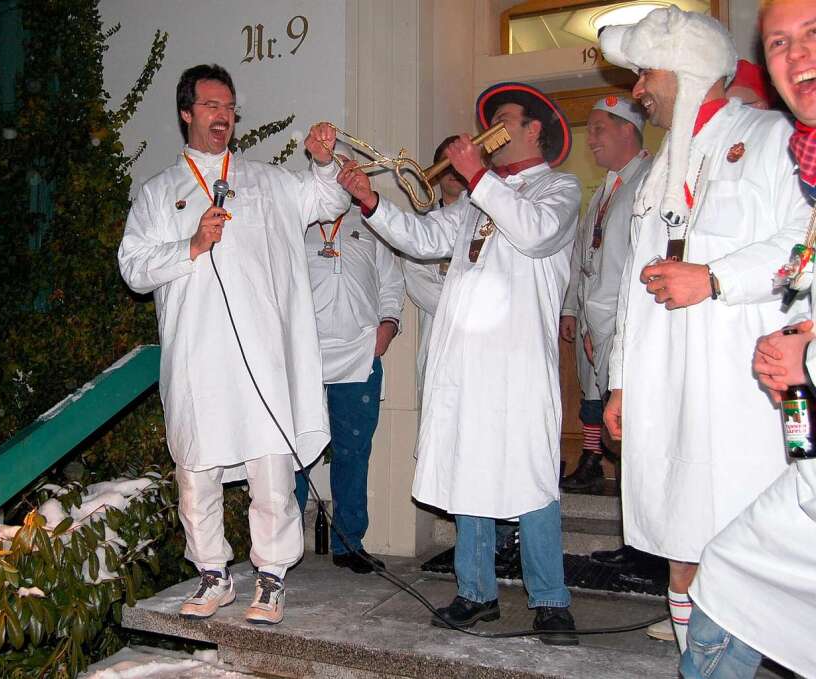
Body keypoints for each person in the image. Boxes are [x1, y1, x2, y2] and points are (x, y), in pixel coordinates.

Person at [338, 81, 582, 646]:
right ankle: (477, 592)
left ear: (533, 130)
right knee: (472, 469)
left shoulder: (558, 190)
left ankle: (550, 598)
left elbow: (538, 234)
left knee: (532, 474)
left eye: (503, 120)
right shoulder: (479, 198)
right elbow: (424, 237)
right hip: (468, 366)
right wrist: (370, 202)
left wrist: (478, 177)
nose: (489, 131)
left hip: (519, 366)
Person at [599, 6, 809, 653]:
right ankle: (697, 655)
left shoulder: (774, 138)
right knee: (678, 532)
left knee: (739, 546)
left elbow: (799, 247)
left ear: (685, 70)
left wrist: (712, 276)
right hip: (666, 385)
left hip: (740, 393)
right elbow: (634, 286)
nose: (640, 92)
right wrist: (620, 384)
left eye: (645, 74)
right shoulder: (660, 168)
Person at [117, 64, 349, 625]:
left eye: (229, 107)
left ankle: (271, 577)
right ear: (186, 112)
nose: (223, 117)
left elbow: (325, 201)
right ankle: (212, 572)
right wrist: (190, 245)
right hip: (198, 356)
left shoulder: (266, 181)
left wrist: (321, 160)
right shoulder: (157, 193)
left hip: (261, 356)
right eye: (211, 106)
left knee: (270, 467)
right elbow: (132, 269)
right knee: (196, 467)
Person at [683, 1, 816, 676]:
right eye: (779, 44)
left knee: (730, 580)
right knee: (731, 579)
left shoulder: (770, 142)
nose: (796, 57)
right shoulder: (809, 160)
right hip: (807, 444)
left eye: (813, 35)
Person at [293, 198, 405, 574]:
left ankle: (349, 543)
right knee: (293, 451)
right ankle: (283, 543)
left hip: (358, 354)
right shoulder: (298, 219)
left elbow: (392, 281)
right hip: (303, 355)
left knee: (353, 451)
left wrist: (387, 327)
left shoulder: (372, 223)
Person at [559, 96, 650, 494]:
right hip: (594, 318)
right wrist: (570, 309)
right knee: (595, 399)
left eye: (599, 129)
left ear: (627, 129)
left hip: (624, 321)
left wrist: (604, 324)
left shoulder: (648, 181)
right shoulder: (605, 189)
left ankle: (642, 540)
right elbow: (584, 254)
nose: (590, 139)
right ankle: (596, 463)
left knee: (631, 419)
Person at [401, 136, 465, 395]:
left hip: (484, 335)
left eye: (458, 163)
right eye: (446, 164)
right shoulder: (423, 227)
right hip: (439, 330)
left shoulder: (491, 222)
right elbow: (418, 283)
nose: (453, 172)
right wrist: (466, 305)